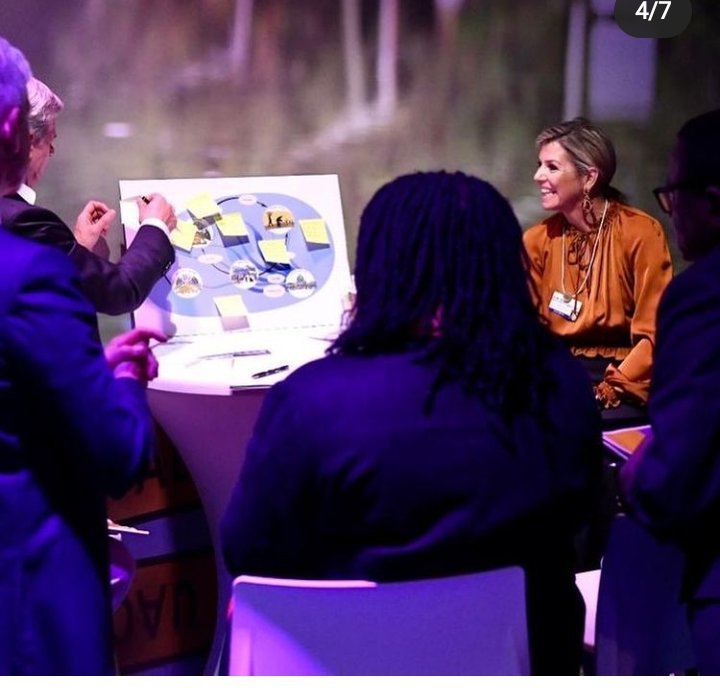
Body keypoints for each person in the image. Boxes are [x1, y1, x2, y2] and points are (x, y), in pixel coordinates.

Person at [221, 170, 603, 675]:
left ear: (380, 270)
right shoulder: (559, 384)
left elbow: (249, 549)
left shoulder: (312, 399)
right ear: (503, 267)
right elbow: (581, 514)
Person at [0, 36, 165, 673]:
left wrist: (77, 247)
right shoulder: (29, 265)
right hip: (32, 596)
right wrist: (123, 375)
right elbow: (117, 452)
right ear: (17, 134)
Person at [620, 109, 720, 675]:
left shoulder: (702, 296)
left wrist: (634, 476)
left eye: (673, 194)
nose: (670, 209)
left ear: (712, 200)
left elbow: (674, 476)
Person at [523, 117, 673, 428]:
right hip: (557, 379)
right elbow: (525, 331)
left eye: (551, 167)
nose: (538, 176)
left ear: (589, 177)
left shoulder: (641, 233)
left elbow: (653, 335)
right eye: (540, 165)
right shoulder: (537, 240)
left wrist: (606, 390)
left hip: (624, 382)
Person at [0, 75, 177, 316]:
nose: (51, 154)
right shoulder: (22, 222)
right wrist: (155, 225)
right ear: (30, 143)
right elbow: (119, 290)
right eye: (50, 143)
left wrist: (78, 247)